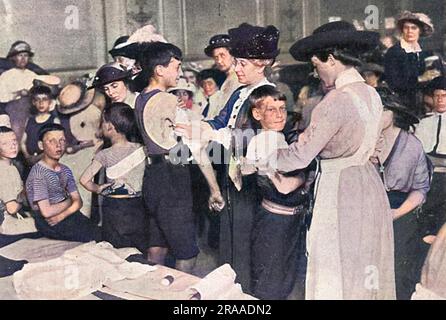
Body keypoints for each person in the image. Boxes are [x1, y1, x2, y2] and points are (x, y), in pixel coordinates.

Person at [260, 21, 395, 300]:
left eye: (316, 63)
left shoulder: (335, 101)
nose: (314, 70)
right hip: (369, 188)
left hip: (339, 192)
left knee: (333, 267)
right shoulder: (371, 94)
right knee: (364, 264)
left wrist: (264, 156)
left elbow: (300, 155)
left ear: (331, 59)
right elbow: (377, 146)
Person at [176, 23, 281, 290]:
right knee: (230, 239)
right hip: (232, 174)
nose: (237, 69)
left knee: (247, 244)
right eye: (237, 63)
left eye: (243, 64)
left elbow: (254, 141)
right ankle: (232, 293)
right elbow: (222, 122)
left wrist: (212, 135)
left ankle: (246, 296)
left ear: (263, 63)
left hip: (254, 181)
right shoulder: (239, 92)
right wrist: (197, 126)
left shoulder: (268, 97)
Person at [134, 41, 224, 273]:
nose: (180, 73)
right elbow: (196, 148)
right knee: (188, 253)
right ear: (159, 70)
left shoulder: (140, 98)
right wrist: (214, 189)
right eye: (176, 67)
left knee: (157, 248)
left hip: (152, 176)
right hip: (172, 178)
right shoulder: (168, 101)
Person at [242, 86, 315, 300]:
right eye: (271, 109)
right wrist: (305, 176)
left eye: (282, 108)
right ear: (257, 114)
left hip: (285, 219)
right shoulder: (265, 141)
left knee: (281, 280)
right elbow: (284, 186)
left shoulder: (277, 138)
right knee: (271, 284)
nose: (279, 114)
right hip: (275, 221)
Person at [375, 87, 432, 300]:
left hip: (401, 211)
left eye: (382, 110)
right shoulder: (361, 141)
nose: (377, 116)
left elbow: (420, 189)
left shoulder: (411, 145)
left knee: (398, 273)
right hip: (368, 210)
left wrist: (396, 213)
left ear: (394, 113)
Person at [80, 103, 149, 254]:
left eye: (102, 123)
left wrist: (98, 189)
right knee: (139, 250)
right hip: (138, 207)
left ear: (110, 127)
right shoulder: (142, 149)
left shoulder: (104, 154)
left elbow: (84, 180)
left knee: (115, 252)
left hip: (114, 209)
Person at [25, 124, 102, 242]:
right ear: (41, 145)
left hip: (65, 216)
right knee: (96, 237)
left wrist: (63, 213)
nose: (58, 145)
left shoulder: (65, 169)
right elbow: (47, 212)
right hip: (49, 222)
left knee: (102, 233)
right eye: (52, 141)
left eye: (62, 140)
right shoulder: (38, 173)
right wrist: (70, 202)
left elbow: (78, 201)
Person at [384, 11, 439, 116]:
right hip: (401, 106)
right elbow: (394, 83)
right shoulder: (394, 52)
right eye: (406, 28)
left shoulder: (424, 53)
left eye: (414, 28)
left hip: (423, 107)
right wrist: (420, 78)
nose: (409, 31)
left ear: (420, 31)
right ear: (402, 30)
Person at [415, 76, 446, 236]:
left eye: (444, 96)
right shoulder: (423, 124)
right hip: (428, 178)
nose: (440, 100)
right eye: (437, 96)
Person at [21, 85, 60, 166]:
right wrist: (27, 156)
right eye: (37, 100)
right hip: (30, 161)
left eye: (44, 99)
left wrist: (39, 157)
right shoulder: (29, 120)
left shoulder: (54, 121)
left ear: (50, 102)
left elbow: (56, 145)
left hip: (47, 161)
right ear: (33, 102)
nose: (41, 103)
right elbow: (22, 142)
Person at [204, 34, 242, 107]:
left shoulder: (239, 78)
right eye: (216, 57)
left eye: (222, 55)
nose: (219, 61)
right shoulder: (226, 79)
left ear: (232, 55)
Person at [0, 127, 24, 233]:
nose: (12, 146)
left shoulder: (12, 166)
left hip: (13, 219)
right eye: (5, 143)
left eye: (14, 141)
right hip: (6, 225)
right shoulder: (4, 170)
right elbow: (12, 208)